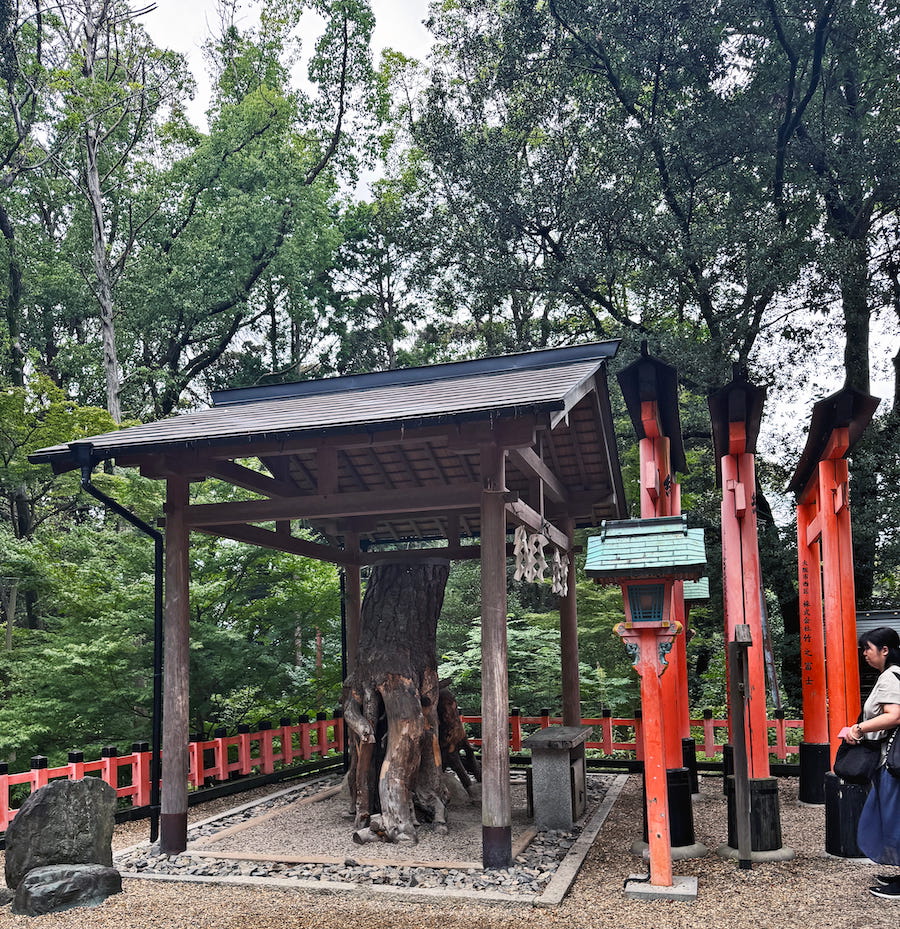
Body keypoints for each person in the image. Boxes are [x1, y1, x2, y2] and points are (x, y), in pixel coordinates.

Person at [838, 626, 900, 900]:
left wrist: (858, 729)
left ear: (884, 650)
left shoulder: (890, 676)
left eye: (867, 648)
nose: (864, 654)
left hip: (893, 761)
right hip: (892, 760)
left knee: (894, 816)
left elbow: (894, 715)